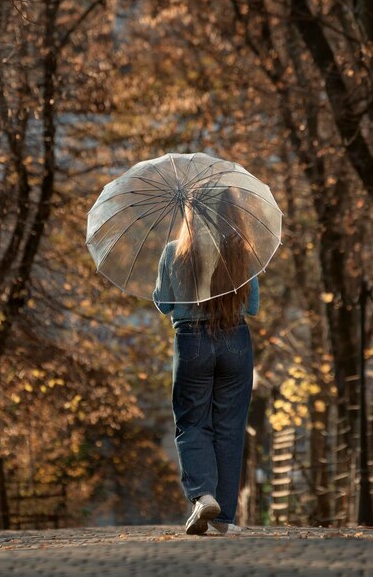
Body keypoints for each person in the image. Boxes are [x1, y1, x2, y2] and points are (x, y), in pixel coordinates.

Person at [152, 187, 259, 535]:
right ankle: (223, 518)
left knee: (193, 421)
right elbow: (254, 307)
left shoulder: (173, 253)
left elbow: (164, 304)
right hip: (236, 341)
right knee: (230, 427)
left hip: (192, 341)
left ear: (190, 214)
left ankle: (204, 496)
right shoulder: (242, 253)